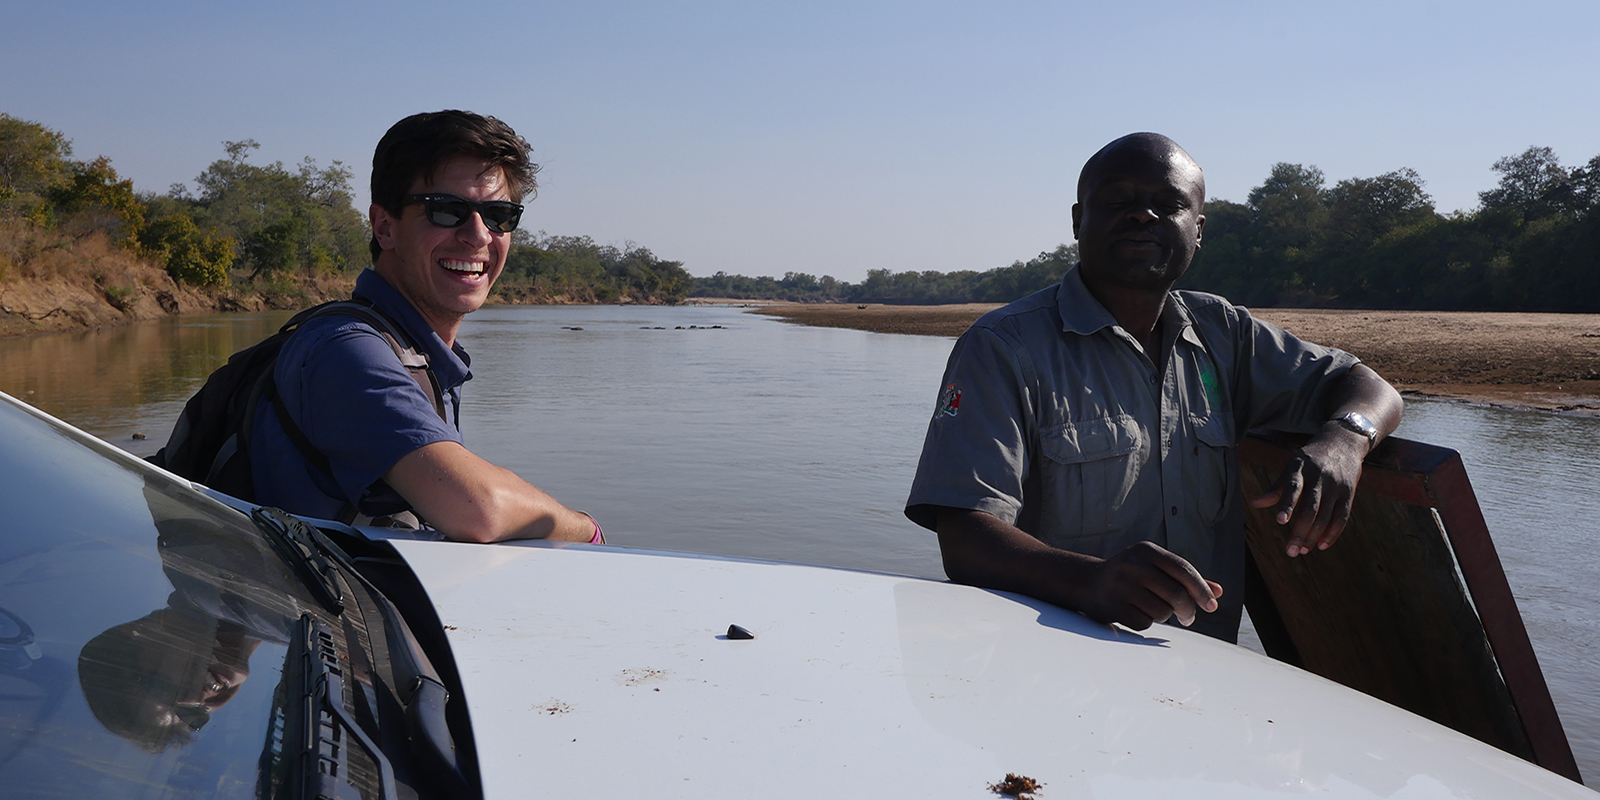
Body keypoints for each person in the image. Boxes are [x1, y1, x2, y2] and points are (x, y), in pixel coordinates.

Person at [904, 133, 1403, 642]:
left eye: (1169, 205)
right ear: (1078, 220)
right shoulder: (1003, 347)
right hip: (1052, 661)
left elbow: (1367, 386)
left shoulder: (1224, 332)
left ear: (1199, 229)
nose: (1144, 216)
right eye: (1119, 201)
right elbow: (964, 537)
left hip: (1203, 670)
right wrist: (1089, 581)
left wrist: (1345, 440)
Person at [250, 110, 598, 543]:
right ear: (385, 227)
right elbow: (477, 508)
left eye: (499, 215)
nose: (478, 235)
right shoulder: (346, 352)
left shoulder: (416, 354)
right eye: (448, 211)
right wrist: (586, 530)